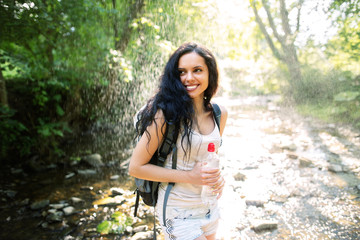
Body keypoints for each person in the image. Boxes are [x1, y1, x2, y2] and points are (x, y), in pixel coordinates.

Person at [128, 42, 228, 240]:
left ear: (210, 73)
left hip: (209, 206)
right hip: (177, 211)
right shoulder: (165, 115)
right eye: (182, 72)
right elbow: (136, 168)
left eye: (197, 70)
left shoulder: (219, 113)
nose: (189, 78)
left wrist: (218, 179)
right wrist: (190, 176)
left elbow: (209, 155)